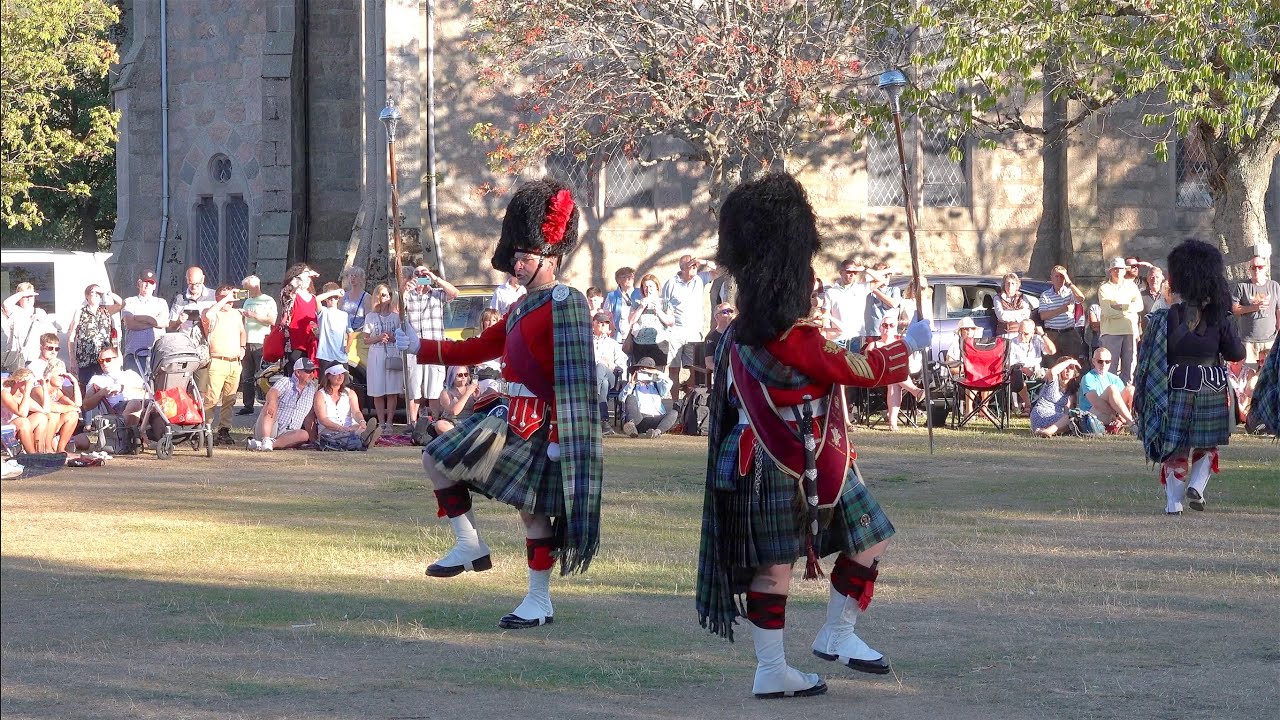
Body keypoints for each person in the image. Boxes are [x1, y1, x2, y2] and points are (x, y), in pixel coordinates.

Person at [696, 173, 932, 699]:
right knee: (781, 568)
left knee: (857, 543)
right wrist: (908, 347)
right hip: (789, 460)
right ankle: (788, 661)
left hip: (786, 457)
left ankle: (824, 641)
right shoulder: (797, 339)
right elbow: (858, 367)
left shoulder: (743, 330)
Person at [395, 178, 602, 630]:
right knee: (436, 458)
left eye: (523, 258)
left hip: (546, 425)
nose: (515, 266)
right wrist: (421, 346)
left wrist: (565, 438)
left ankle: (538, 600)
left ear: (549, 257)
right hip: (509, 416)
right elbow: (480, 347)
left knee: (534, 513)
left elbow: (576, 377)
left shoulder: (566, 303)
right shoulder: (520, 306)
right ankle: (469, 543)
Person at [1135, 239, 1246, 515]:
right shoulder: (1221, 318)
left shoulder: (1168, 316)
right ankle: (1197, 484)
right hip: (1211, 386)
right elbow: (1236, 353)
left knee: (1177, 447)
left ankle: (1174, 503)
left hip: (1176, 384)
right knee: (1207, 444)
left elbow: (1152, 356)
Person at [402, 264, 460, 424]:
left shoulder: (437, 294)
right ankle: (412, 423)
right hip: (414, 349)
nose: (420, 275)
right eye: (417, 273)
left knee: (434, 389)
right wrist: (404, 290)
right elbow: (395, 309)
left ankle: (434, 422)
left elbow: (455, 293)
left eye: (424, 273)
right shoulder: (408, 295)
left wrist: (435, 279)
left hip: (434, 347)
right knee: (414, 390)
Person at [663, 254, 718, 403]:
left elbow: (721, 270)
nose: (694, 267)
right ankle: (675, 404)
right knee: (674, 369)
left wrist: (703, 262)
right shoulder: (670, 283)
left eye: (695, 265)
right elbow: (665, 306)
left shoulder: (700, 279)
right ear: (682, 268)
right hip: (675, 332)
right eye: (691, 265)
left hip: (694, 332)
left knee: (694, 369)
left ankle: (687, 403)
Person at [201, 284, 247, 446]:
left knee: (230, 398)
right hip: (217, 360)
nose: (230, 301)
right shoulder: (212, 312)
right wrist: (225, 299)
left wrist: (242, 347)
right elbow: (208, 315)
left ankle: (224, 429)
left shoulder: (236, 314)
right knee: (212, 398)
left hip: (234, 362)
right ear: (217, 298)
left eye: (232, 298)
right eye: (226, 298)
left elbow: (242, 331)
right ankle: (205, 429)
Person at [865, 318, 924, 431]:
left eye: (891, 325)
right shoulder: (873, 345)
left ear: (895, 328)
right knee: (894, 376)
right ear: (880, 328)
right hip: (878, 379)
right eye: (885, 325)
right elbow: (867, 365)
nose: (888, 327)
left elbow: (909, 363)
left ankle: (892, 422)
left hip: (899, 378)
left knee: (894, 379)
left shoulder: (901, 344)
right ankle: (916, 391)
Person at [248, 358, 319, 451]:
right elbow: (272, 393)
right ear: (298, 372)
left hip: (289, 433)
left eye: (312, 371)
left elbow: (309, 417)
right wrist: (272, 402)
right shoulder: (286, 382)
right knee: (271, 402)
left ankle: (267, 445)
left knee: (304, 434)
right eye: (308, 372)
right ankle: (265, 439)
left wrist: (314, 441)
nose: (311, 375)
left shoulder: (311, 389)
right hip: (272, 426)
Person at [67, 283, 123, 389]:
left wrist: (106, 292)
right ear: (87, 296)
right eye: (93, 292)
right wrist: (72, 359)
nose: (96, 295)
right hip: (85, 361)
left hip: (104, 361)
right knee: (86, 388)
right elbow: (72, 336)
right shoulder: (80, 311)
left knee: (105, 388)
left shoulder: (105, 309)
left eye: (98, 293)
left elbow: (121, 304)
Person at [169, 266, 216, 392]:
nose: (194, 287)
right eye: (190, 283)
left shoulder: (213, 296)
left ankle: (199, 410)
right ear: (186, 280)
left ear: (203, 279)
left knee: (201, 388)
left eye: (197, 283)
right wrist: (180, 320)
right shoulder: (180, 298)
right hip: (185, 348)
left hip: (205, 348)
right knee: (183, 387)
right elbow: (171, 326)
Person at [1097, 257, 1144, 384]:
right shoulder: (1104, 288)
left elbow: (1140, 306)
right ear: (1111, 271)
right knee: (1109, 368)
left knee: (1129, 369)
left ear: (1124, 270)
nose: (1118, 271)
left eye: (1121, 269)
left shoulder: (1131, 286)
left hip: (1129, 331)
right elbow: (1107, 312)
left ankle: (1127, 399)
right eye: (1115, 269)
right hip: (1111, 333)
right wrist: (1128, 308)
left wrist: (1120, 306)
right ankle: (1110, 398)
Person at [363, 284, 403, 430]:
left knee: (392, 390)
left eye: (389, 294)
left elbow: (401, 338)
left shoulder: (396, 317)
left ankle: (390, 422)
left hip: (392, 352)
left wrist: (393, 338)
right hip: (377, 354)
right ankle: (381, 422)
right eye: (384, 295)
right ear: (378, 297)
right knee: (378, 390)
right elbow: (366, 339)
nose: (388, 298)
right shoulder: (370, 317)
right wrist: (379, 337)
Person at [313, 364, 379, 450]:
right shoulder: (320, 394)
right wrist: (340, 428)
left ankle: (361, 437)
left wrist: (362, 422)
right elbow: (323, 419)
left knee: (356, 428)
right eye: (337, 374)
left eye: (342, 373)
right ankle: (362, 440)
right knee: (337, 435)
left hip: (349, 427)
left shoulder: (350, 393)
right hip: (329, 429)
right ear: (328, 376)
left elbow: (356, 412)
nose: (340, 376)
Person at [238, 275, 278, 415]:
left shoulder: (268, 300)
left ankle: (266, 405)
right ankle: (247, 405)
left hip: (261, 341)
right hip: (246, 341)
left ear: (255, 287)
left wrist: (253, 315)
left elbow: (272, 320)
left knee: (262, 374)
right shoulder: (247, 300)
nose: (246, 292)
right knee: (247, 375)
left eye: (247, 289)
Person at [1231, 254, 1278, 368]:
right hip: (1248, 341)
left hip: (1270, 340)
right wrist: (1254, 308)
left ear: (1265, 268)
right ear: (1250, 270)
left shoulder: (1274, 286)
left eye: (1260, 267)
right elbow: (1234, 309)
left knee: (1269, 375)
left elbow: (1278, 309)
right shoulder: (1242, 286)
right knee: (1249, 375)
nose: (1257, 270)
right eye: (1253, 267)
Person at [82, 347, 147, 428]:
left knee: (161, 405)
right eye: (101, 361)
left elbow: (147, 393)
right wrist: (101, 393)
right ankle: (127, 437)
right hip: (118, 408)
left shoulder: (131, 374)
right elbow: (86, 406)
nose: (104, 363)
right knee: (134, 404)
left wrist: (122, 388)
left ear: (118, 360)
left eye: (108, 360)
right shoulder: (97, 379)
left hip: (144, 404)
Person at [120, 269, 168, 375]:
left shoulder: (161, 302)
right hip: (134, 354)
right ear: (139, 283)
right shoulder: (129, 302)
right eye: (145, 282)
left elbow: (164, 323)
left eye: (151, 283)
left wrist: (144, 318)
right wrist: (153, 321)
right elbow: (131, 324)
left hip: (156, 355)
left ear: (154, 286)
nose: (147, 285)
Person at [617, 357, 678, 438]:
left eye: (646, 371)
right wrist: (631, 383)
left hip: (656, 418)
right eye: (640, 370)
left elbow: (669, 382)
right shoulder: (632, 386)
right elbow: (621, 399)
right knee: (630, 397)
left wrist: (656, 373)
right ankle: (631, 428)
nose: (643, 373)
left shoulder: (657, 386)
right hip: (639, 419)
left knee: (674, 412)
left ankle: (656, 432)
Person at [1038, 265, 1086, 366]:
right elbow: (1043, 316)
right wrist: (1062, 309)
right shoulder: (1045, 295)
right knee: (1052, 365)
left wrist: (1069, 283)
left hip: (1069, 334)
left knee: (1071, 364)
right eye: (1057, 276)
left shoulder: (1070, 292)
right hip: (1052, 334)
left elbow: (1081, 298)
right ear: (1051, 277)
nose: (1059, 279)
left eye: (1062, 276)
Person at [1079, 347, 1135, 430]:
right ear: (1094, 361)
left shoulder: (1114, 378)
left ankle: (1128, 422)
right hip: (1091, 416)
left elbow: (1122, 402)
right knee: (1111, 389)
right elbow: (1097, 404)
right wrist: (1117, 415)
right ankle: (1131, 423)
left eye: (1107, 362)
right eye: (1100, 361)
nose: (1104, 365)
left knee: (1130, 389)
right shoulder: (1088, 378)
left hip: (1111, 414)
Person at [590, 312, 627, 436]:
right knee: (604, 384)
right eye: (599, 322)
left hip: (611, 376)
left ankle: (592, 397)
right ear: (593, 325)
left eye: (605, 323)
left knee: (601, 367)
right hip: (592, 377)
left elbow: (622, 364)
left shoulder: (613, 344)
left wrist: (611, 364)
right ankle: (604, 421)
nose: (602, 325)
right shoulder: (586, 342)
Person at [627, 273, 674, 368]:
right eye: (645, 287)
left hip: (659, 343)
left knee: (658, 373)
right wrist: (641, 307)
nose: (648, 289)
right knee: (641, 373)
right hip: (640, 344)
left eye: (651, 286)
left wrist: (658, 310)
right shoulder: (636, 303)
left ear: (657, 287)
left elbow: (670, 322)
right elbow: (631, 321)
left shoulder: (665, 303)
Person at [33, 360, 81, 453]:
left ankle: (61, 449)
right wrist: (73, 408)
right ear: (49, 374)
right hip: (37, 426)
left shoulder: (57, 392)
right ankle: (47, 448)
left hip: (50, 427)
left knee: (73, 415)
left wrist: (74, 382)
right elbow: (52, 407)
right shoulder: (39, 389)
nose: (63, 378)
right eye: (60, 375)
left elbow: (77, 405)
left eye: (64, 376)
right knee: (54, 415)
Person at [1008, 319, 1056, 412]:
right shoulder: (1012, 342)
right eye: (1020, 332)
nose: (1022, 336)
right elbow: (1010, 364)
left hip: (1037, 371)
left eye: (1026, 334)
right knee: (1018, 375)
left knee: (1053, 374)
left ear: (1033, 332)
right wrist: (1024, 369)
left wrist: (1042, 335)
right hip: (1019, 372)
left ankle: (1049, 404)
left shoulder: (1037, 339)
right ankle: (1028, 405)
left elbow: (1052, 351)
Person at [3, 282, 52, 369]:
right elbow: (6, 304)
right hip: (16, 358)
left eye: (31, 296)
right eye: (26, 297)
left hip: (36, 358)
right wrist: (22, 293)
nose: (29, 299)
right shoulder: (15, 311)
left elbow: (52, 334)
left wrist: (42, 320)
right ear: (19, 298)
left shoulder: (40, 312)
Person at [827, 258, 871, 351]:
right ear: (841, 272)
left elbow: (881, 280)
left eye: (855, 272)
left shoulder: (861, 288)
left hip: (857, 337)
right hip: (838, 338)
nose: (852, 275)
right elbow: (825, 315)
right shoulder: (831, 292)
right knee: (838, 365)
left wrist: (865, 269)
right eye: (848, 271)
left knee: (855, 365)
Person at [1030, 357, 1082, 437]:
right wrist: (1069, 361)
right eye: (1065, 368)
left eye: (1071, 368)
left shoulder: (1071, 390)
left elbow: (1068, 410)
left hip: (1057, 419)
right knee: (1070, 419)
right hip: (1041, 413)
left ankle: (1042, 432)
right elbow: (1052, 372)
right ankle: (1047, 432)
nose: (1068, 370)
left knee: (1073, 420)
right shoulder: (1053, 380)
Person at [2, 368, 49, 453]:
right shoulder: (5, 393)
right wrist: (27, 390)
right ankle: (32, 454)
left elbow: (45, 411)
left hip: (14, 429)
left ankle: (40, 452)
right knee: (23, 421)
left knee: (42, 417)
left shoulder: (23, 396)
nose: (30, 386)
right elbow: (22, 414)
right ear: (18, 381)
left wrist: (44, 387)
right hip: (4, 431)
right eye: (28, 383)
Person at [431, 365, 480, 436]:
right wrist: (467, 393)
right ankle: (465, 436)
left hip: (470, 422)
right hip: (452, 424)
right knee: (440, 425)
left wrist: (477, 398)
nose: (463, 377)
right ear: (452, 376)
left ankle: (464, 436)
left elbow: (479, 411)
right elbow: (454, 411)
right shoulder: (446, 393)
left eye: (466, 374)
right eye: (460, 375)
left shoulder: (471, 389)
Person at [314, 282, 350, 372]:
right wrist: (335, 292)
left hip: (341, 356)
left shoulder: (344, 315)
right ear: (326, 298)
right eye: (330, 298)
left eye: (335, 297)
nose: (333, 299)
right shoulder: (324, 311)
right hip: (325, 355)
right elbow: (316, 300)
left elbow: (350, 332)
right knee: (325, 383)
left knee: (343, 383)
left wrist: (348, 346)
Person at [702, 302, 736, 386]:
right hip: (723, 375)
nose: (729, 314)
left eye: (731, 311)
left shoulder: (737, 333)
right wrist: (723, 370)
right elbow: (709, 362)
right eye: (725, 311)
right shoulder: (711, 338)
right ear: (717, 316)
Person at [604, 266, 642, 343]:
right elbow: (606, 316)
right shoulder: (612, 296)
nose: (629, 279)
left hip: (638, 336)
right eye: (625, 277)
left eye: (631, 276)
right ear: (618, 280)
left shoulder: (641, 293)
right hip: (619, 337)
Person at [993, 273, 1032, 339]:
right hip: (1003, 334)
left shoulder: (1023, 297)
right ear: (1004, 284)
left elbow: (1026, 316)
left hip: (1019, 334)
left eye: (1013, 283)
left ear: (1017, 285)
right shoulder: (997, 298)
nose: (1010, 286)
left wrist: (1008, 313)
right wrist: (1020, 313)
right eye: (1008, 283)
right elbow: (1002, 316)